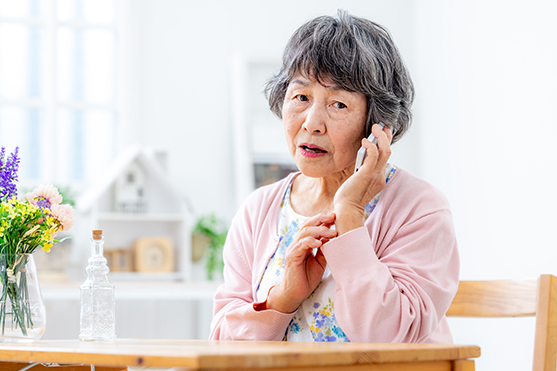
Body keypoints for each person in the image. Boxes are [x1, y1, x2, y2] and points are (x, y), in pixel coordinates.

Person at [209, 10, 459, 343]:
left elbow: (388, 338)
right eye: (301, 97)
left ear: (377, 122)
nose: (312, 123)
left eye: (338, 104)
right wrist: (283, 297)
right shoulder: (258, 211)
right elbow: (223, 344)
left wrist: (349, 213)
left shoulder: (420, 208)